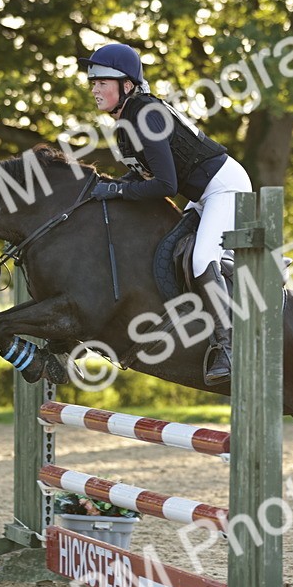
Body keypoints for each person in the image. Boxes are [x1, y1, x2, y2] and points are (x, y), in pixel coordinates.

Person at [78, 43, 252, 386]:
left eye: (102, 82)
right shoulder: (127, 122)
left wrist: (115, 190)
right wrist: (109, 190)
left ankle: (229, 345)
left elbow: (165, 185)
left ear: (127, 85)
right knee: (169, 250)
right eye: (92, 82)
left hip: (224, 187)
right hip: (203, 195)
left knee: (202, 259)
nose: (94, 88)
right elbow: (139, 178)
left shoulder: (144, 115)